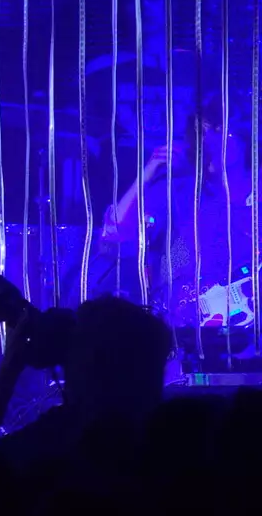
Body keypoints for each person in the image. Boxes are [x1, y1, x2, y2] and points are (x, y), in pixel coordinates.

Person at [94, 96, 256, 337]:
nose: (209, 140)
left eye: (220, 131)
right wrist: (147, 173)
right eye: (202, 133)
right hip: (185, 320)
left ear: (243, 139)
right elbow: (115, 231)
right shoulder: (180, 190)